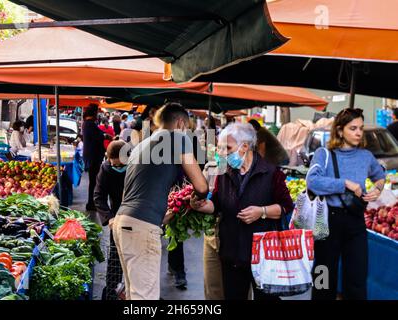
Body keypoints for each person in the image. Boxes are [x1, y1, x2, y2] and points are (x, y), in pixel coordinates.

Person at [113, 102, 209, 300]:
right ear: (181, 123)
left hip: (122, 222)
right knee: (145, 297)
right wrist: (196, 199)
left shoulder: (142, 144)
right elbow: (201, 186)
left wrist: (166, 214)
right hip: (141, 227)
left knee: (133, 295)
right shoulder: (177, 138)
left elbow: (132, 192)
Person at [190, 122, 293, 300]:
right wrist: (199, 205)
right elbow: (216, 205)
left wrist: (261, 211)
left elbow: (285, 206)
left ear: (245, 146)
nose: (222, 153)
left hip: (264, 256)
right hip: (232, 254)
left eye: (227, 148)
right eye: (221, 148)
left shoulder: (270, 172)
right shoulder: (224, 172)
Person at [307, 108, 386, 300]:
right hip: (327, 221)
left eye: (360, 128)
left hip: (356, 221)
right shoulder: (323, 154)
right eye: (353, 128)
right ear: (340, 131)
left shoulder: (366, 156)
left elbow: (380, 175)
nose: (359, 133)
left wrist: (378, 188)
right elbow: (312, 182)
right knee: (323, 274)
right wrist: (345, 184)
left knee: (357, 278)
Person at [94, 140, 128, 300]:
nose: (117, 167)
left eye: (121, 165)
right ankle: (112, 292)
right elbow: (99, 196)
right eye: (114, 165)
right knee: (115, 257)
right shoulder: (106, 169)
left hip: (137, 216)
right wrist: (109, 218)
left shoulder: (137, 166)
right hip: (116, 217)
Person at [82, 104, 106, 211]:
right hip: (93, 158)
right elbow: (98, 136)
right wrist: (105, 136)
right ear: (93, 113)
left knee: (93, 181)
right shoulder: (89, 124)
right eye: (97, 112)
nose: (97, 115)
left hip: (92, 157)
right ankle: (91, 204)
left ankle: (91, 203)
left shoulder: (88, 124)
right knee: (93, 182)